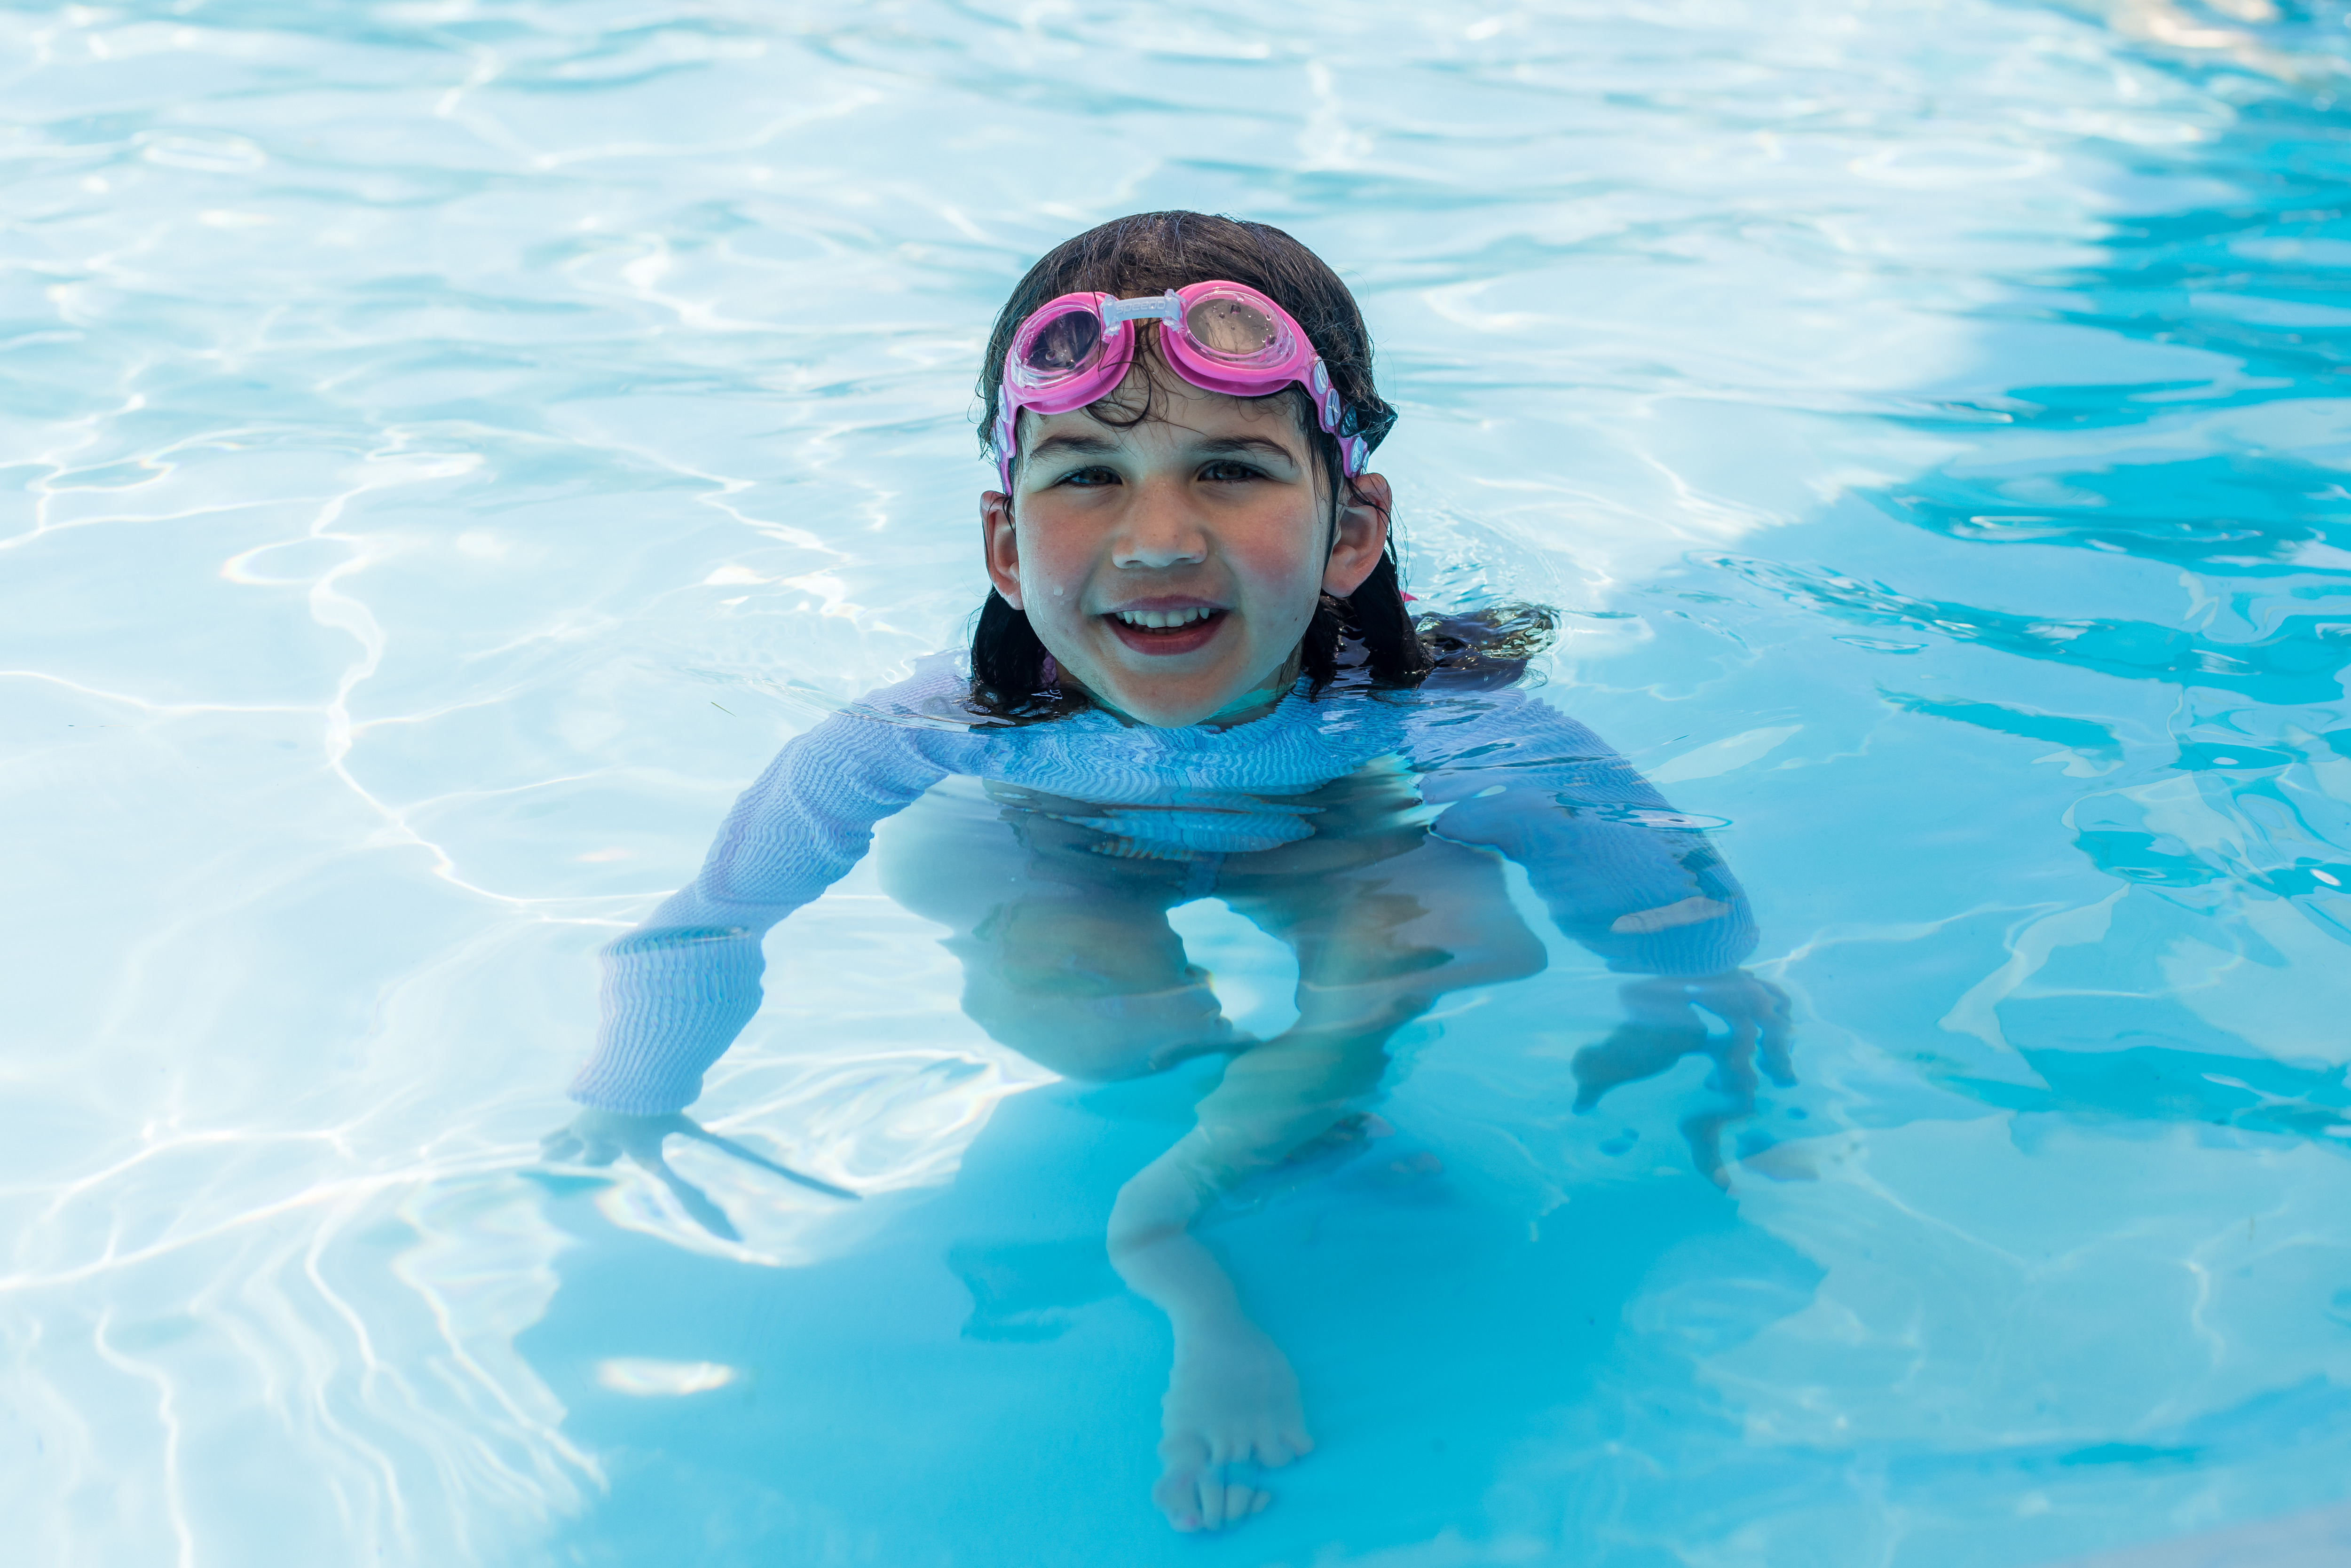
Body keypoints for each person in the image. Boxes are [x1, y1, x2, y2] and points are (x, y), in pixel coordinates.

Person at [546, 210, 1791, 1534]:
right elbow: (711, 923)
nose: (1156, 538)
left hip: (1328, 835)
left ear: (1353, 529)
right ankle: (1253, 1153)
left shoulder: (1431, 713)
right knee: (1064, 978)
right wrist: (631, 1103)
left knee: (1439, 919)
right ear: (1007, 548)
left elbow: (1662, 889)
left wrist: (1712, 1011)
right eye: (1087, 475)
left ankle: (1208, 1180)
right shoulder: (918, 737)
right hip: (1060, 853)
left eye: (1231, 472)